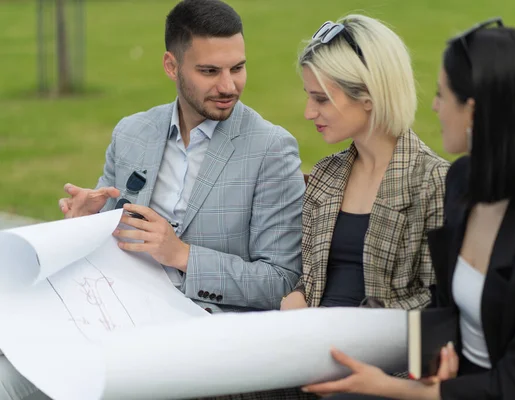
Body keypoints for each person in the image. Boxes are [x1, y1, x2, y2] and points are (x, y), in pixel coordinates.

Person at [0, 0, 304, 398]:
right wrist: (85, 223)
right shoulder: (132, 133)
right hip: (112, 317)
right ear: (171, 66)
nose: (229, 86)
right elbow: (108, 237)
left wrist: (182, 255)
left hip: (198, 336)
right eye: (210, 71)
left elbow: (281, 281)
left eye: (237, 68)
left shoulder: (271, 150)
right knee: (10, 369)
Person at [300, 18, 515, 400]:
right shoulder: (465, 183)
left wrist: (391, 386)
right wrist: (436, 358)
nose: (435, 106)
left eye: (443, 95)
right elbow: (444, 303)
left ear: (473, 111)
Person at [280, 15, 449, 312]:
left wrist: (359, 328)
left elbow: (436, 297)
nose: (308, 112)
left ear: (368, 96)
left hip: (384, 350)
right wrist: (299, 295)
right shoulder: (325, 175)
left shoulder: (432, 180)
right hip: (309, 342)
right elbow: (311, 277)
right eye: (309, 97)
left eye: (321, 99)